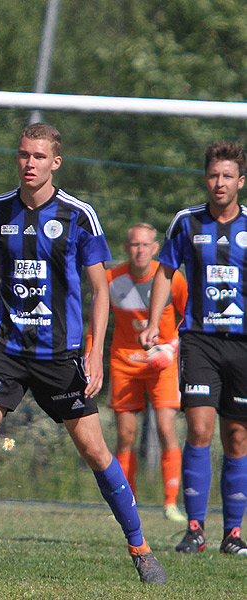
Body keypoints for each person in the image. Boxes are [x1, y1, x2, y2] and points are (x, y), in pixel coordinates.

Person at [0, 123, 167, 584]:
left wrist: (94, 352)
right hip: (4, 348)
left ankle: (140, 547)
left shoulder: (78, 215)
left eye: (39, 157)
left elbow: (100, 291)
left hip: (60, 354)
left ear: (55, 162)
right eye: (24, 155)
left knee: (95, 450)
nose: (30, 164)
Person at [139, 141, 247, 556]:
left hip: (242, 344)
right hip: (199, 340)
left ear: (241, 181)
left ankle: (233, 534)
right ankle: (196, 528)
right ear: (206, 178)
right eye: (213, 175)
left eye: (227, 176)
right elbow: (165, 272)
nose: (219, 183)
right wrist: (153, 322)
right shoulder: (186, 222)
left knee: (237, 435)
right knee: (199, 428)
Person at [101, 223, 188, 522]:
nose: (140, 250)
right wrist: (89, 353)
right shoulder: (112, 278)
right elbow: (96, 319)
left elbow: (189, 317)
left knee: (166, 429)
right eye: (134, 244)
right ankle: (127, 502)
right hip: (124, 363)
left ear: (155, 248)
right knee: (125, 435)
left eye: (146, 245)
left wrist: (170, 348)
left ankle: (171, 503)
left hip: (161, 364)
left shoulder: (171, 278)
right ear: (126, 248)